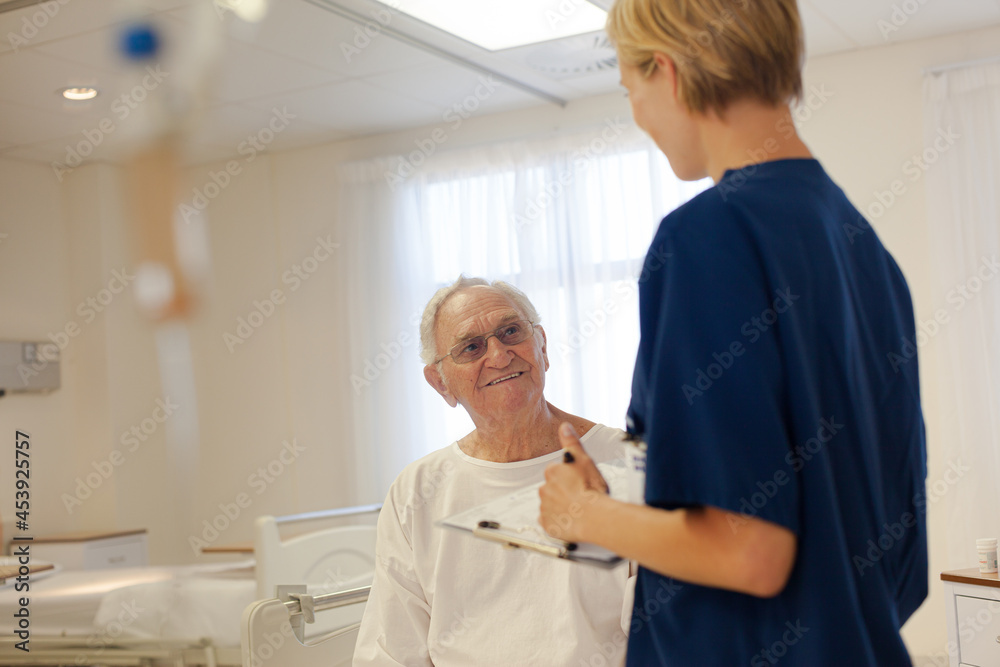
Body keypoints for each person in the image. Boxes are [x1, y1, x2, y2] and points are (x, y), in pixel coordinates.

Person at [538, 0, 928, 665]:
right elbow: (896, 559)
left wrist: (587, 518)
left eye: (631, 91)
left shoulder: (705, 238)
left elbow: (752, 551)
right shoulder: (869, 253)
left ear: (668, 72)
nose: (638, 116)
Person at [354, 276, 631, 666]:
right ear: (441, 383)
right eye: (471, 347)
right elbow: (391, 650)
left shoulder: (628, 462)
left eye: (511, 331)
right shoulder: (416, 491)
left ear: (542, 346)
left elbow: (666, 632)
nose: (500, 355)